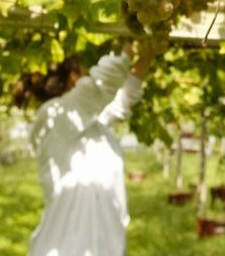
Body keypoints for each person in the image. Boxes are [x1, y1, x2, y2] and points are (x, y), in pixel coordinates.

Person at [13, 42, 153, 256]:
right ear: (72, 77)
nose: (87, 74)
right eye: (83, 71)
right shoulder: (54, 116)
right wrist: (130, 47)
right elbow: (98, 88)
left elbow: (122, 101)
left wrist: (148, 52)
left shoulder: (86, 128)